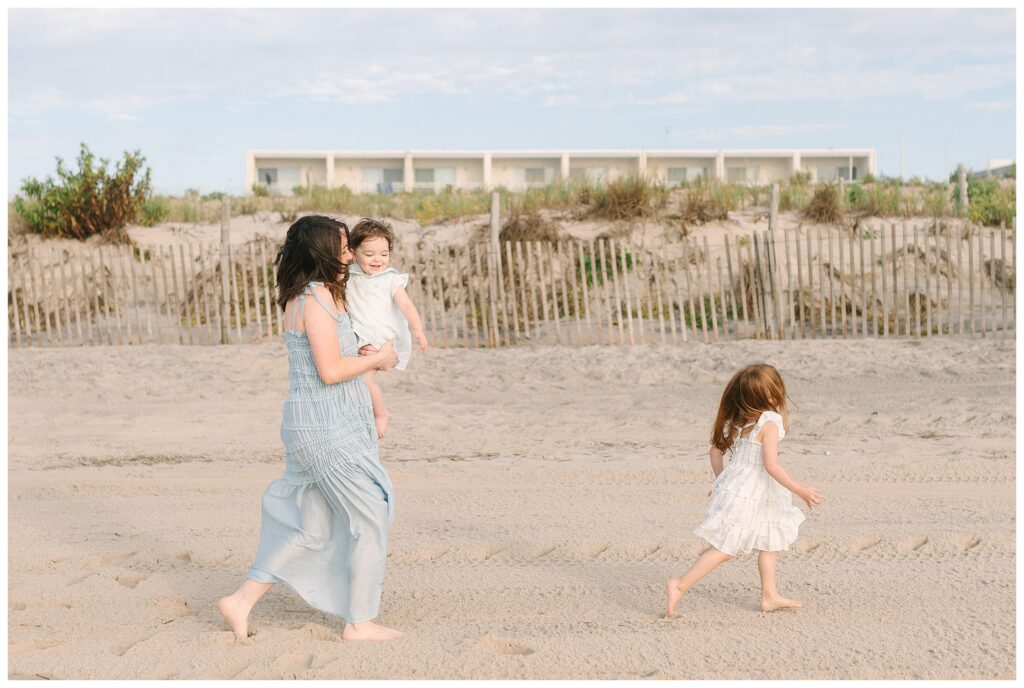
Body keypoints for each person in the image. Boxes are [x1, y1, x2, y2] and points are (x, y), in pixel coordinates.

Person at [218, 215, 405, 641]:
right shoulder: (315, 298)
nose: (349, 253)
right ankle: (360, 622)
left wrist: (366, 352)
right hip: (325, 428)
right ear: (322, 252)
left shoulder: (314, 296)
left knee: (314, 527)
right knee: (371, 515)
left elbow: (334, 357)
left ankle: (240, 601)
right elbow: (331, 371)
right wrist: (377, 360)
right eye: (341, 247)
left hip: (324, 422)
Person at [666, 363, 824, 617]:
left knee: (768, 538)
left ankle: (769, 595)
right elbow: (771, 465)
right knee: (726, 547)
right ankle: (680, 585)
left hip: (747, 489)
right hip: (754, 490)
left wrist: (723, 483)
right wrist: (800, 489)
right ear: (773, 395)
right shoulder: (769, 423)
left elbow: (715, 450)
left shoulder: (743, 420)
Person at [345, 218, 428, 439]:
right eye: (369, 254)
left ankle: (381, 414)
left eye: (383, 254)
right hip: (358, 336)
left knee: (363, 380)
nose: (377, 259)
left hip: (381, 339)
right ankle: (360, 418)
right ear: (353, 252)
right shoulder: (349, 277)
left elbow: (406, 305)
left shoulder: (391, 279)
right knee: (352, 381)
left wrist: (417, 328)